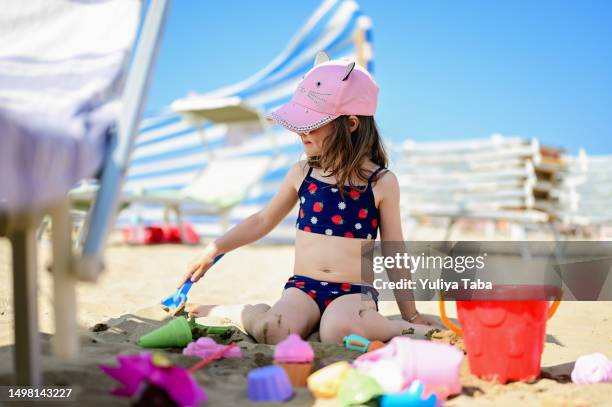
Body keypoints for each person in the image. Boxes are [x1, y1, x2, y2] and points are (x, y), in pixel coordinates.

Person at [181, 53, 436, 344]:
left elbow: (393, 251)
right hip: (303, 287)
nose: (301, 132)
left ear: (351, 124)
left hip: (353, 293)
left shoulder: (381, 182)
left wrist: (411, 313)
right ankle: (232, 311)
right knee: (272, 330)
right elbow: (263, 220)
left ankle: (400, 329)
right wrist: (212, 250)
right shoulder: (302, 172)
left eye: (312, 125)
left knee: (337, 332)